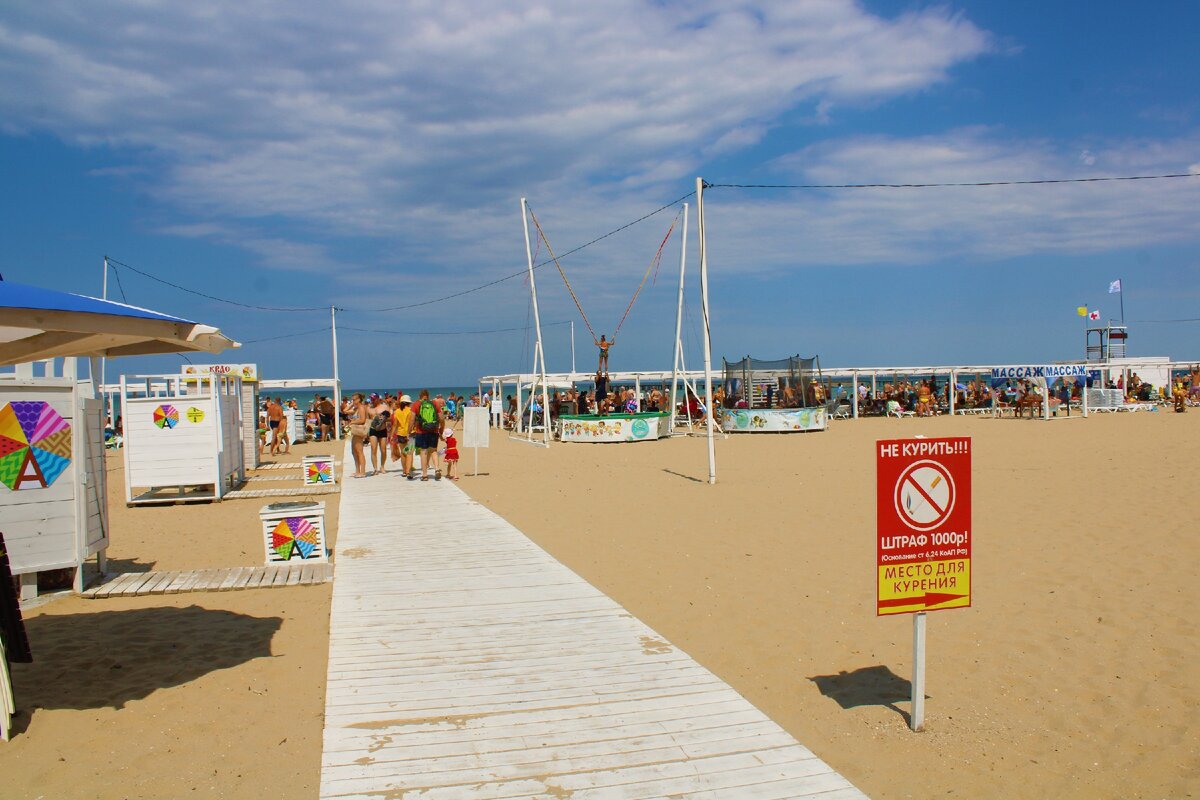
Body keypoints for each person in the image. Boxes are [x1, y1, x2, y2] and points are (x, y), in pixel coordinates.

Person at [411, 389, 444, 481]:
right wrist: (441, 429)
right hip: (434, 430)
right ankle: (437, 469)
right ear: (428, 396)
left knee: (424, 452)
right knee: (433, 450)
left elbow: (412, 419)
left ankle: (425, 475)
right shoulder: (434, 403)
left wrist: (409, 430)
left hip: (421, 431)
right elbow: (441, 418)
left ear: (419, 396)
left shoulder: (416, 404)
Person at [366, 394, 390, 475]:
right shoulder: (369, 408)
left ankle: (382, 466)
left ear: (377, 399)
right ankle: (375, 469)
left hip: (382, 430)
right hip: (373, 430)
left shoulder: (384, 407)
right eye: (371, 399)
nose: (372, 400)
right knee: (373, 449)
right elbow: (367, 420)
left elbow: (390, 417)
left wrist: (384, 418)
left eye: (373, 399)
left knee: (383, 450)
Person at [347, 393, 369, 478]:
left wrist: (353, 422)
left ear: (359, 399)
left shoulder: (361, 407)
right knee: (354, 452)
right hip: (355, 431)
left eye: (354, 399)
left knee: (359, 451)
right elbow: (345, 410)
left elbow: (362, 420)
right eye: (352, 399)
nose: (353, 401)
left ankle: (362, 472)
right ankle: (357, 471)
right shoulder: (356, 408)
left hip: (359, 430)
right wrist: (352, 404)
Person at [393, 395, 415, 477]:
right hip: (411, 434)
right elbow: (413, 422)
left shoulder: (397, 411)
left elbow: (395, 424)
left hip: (400, 434)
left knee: (403, 453)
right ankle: (409, 471)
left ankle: (404, 471)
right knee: (409, 453)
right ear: (409, 403)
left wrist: (392, 435)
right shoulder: (411, 411)